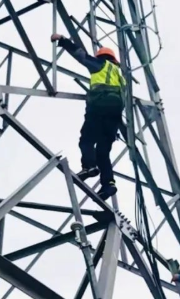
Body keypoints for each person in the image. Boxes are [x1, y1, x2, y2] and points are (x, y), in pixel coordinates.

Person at [50, 34, 125, 200]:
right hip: (115, 115)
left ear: (102, 57)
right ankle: (108, 185)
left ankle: (89, 167)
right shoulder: (120, 76)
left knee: (86, 140)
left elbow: (80, 56)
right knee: (103, 152)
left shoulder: (101, 65)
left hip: (100, 106)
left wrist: (62, 40)